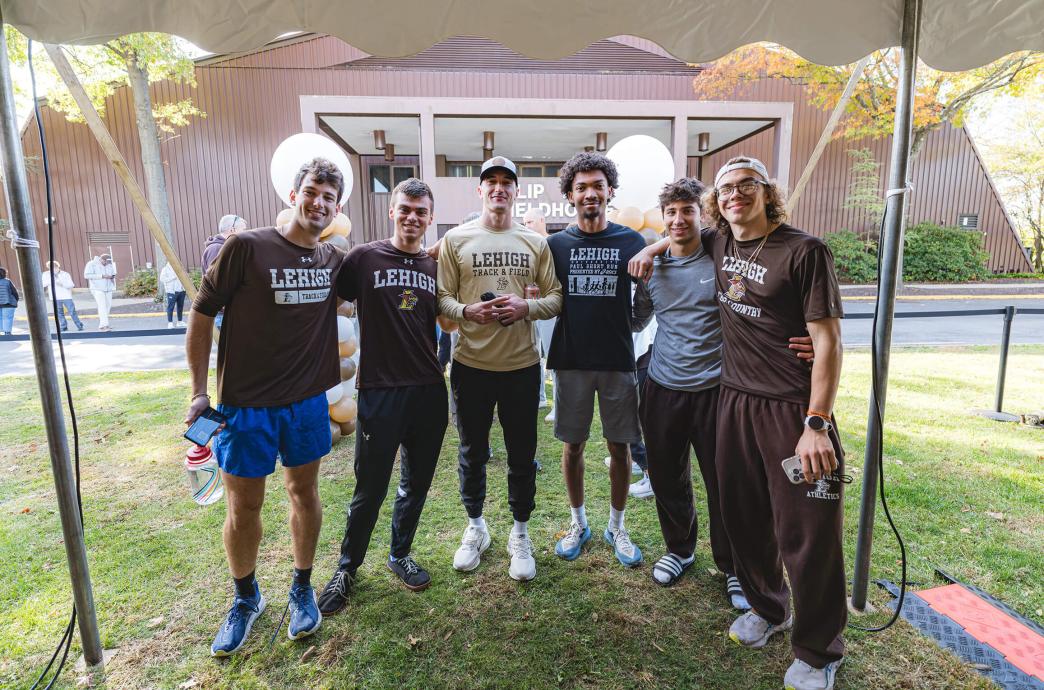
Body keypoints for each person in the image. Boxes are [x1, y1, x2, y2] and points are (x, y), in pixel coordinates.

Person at [631, 157, 845, 690]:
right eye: (725, 189)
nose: (733, 195)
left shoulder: (805, 250)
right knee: (744, 516)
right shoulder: (722, 243)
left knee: (807, 529)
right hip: (732, 403)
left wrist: (816, 423)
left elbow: (828, 342)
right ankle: (770, 610)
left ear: (767, 191)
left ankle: (820, 651)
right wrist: (652, 245)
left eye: (745, 185)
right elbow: (677, 237)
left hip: (794, 413)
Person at [185, 158, 347, 656]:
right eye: (312, 192)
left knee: (304, 493)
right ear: (294, 194)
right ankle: (245, 598)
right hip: (245, 406)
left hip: (305, 404)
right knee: (245, 505)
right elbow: (202, 313)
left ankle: (302, 588)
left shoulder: (333, 261)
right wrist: (198, 393)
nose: (318, 203)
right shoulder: (248, 247)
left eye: (328, 198)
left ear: (336, 208)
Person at [317, 178, 449, 614]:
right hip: (380, 391)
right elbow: (328, 302)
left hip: (429, 391)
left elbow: (448, 319)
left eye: (421, 211)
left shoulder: (436, 267)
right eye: (405, 209)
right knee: (369, 487)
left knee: (416, 483)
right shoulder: (364, 257)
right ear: (392, 212)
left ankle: (399, 554)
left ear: (430, 218)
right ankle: (347, 567)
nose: (413, 217)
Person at [437, 156, 562, 581]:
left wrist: (528, 306)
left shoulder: (535, 242)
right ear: (480, 190)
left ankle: (520, 533)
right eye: (490, 181)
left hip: (522, 366)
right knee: (472, 453)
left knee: (522, 455)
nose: (498, 188)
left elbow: (556, 298)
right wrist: (468, 311)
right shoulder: (456, 239)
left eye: (506, 182)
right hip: (470, 366)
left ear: (515, 190)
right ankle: (476, 528)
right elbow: (442, 300)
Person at [545, 152, 647, 567]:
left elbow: (646, 297)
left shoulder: (631, 241)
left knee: (620, 448)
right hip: (570, 360)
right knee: (573, 447)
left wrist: (631, 325)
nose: (590, 193)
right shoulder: (554, 245)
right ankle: (579, 522)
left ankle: (617, 526)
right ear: (570, 195)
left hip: (618, 361)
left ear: (610, 191)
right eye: (581, 186)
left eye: (597, 185)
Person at [522, 207, 557, 414]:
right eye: (524, 223)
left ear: (542, 220)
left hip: (550, 308)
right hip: (530, 307)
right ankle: (541, 397)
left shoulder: (553, 243)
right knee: (534, 354)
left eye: (530, 222)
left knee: (552, 355)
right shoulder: (527, 244)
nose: (527, 226)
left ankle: (557, 406)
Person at [41, 261, 84, 332]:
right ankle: (63, 326)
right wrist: (51, 280)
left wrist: (62, 284)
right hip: (55, 297)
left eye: (55, 267)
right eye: (51, 268)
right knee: (59, 313)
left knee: (72, 311)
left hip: (66, 296)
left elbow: (71, 285)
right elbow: (43, 284)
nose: (53, 269)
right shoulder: (46, 274)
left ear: (58, 267)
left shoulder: (65, 274)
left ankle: (79, 325)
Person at [83, 254, 116, 331]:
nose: (106, 263)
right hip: (97, 288)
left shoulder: (109, 265)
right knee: (102, 306)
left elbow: (112, 273)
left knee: (108, 306)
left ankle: (103, 324)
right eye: (105, 262)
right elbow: (86, 275)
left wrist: (112, 277)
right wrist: (102, 276)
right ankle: (104, 326)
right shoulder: (91, 264)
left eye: (108, 262)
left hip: (108, 288)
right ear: (101, 259)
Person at [159, 261, 187, 328]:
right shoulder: (165, 269)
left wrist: (184, 288)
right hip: (172, 291)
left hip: (181, 290)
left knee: (180, 307)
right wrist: (172, 278)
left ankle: (179, 322)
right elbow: (162, 279)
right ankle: (170, 323)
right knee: (170, 307)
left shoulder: (179, 268)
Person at [0, 267, 18, 336]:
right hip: (8, 303)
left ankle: (1, 330)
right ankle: (7, 332)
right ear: (4, 274)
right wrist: (16, 300)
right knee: (7, 318)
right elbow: (14, 292)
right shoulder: (7, 281)